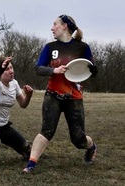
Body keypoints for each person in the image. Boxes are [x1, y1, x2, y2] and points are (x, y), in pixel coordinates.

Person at [23, 14, 98, 173]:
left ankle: (91, 147)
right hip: (53, 95)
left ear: (64, 26)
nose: (52, 27)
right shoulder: (49, 47)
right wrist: (54, 70)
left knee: (78, 139)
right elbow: (38, 68)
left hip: (74, 98)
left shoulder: (82, 47)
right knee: (46, 130)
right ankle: (31, 164)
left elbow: (90, 69)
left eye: (55, 24)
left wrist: (94, 69)